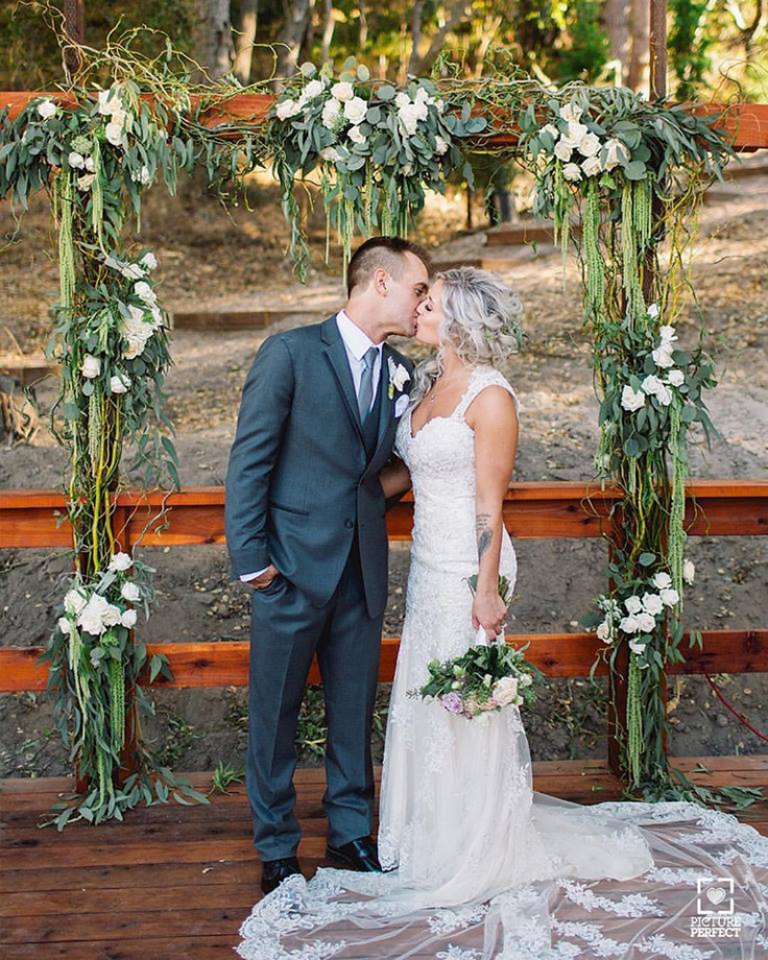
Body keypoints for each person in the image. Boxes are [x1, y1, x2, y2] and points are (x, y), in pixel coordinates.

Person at [236, 267, 768, 959]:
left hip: (471, 568)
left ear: (457, 319)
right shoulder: (419, 381)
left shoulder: (490, 397)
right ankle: (422, 833)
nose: (419, 310)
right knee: (424, 700)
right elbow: (389, 472)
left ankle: (473, 841)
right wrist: (307, 516)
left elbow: (490, 504)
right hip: (425, 568)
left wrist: (486, 589)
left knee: (468, 704)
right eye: (419, 297)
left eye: (431, 304)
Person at [225, 236, 430, 895]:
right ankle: (276, 846)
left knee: (353, 710)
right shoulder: (290, 353)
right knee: (274, 717)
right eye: (417, 289)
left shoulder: (401, 371)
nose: (422, 302)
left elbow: (379, 471)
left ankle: (348, 832)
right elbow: (249, 461)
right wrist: (253, 563)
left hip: (361, 570)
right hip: (287, 569)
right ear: (379, 282)